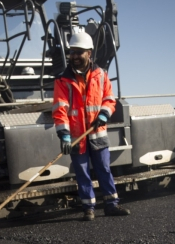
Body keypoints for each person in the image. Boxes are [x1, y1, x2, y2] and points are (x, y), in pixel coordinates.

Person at [52, 31, 130, 221]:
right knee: (82, 172)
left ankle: (112, 205)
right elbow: (60, 108)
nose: (75, 56)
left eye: (79, 52)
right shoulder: (63, 80)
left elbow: (109, 100)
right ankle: (89, 208)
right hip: (77, 136)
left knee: (104, 169)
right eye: (72, 52)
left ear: (89, 53)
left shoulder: (101, 75)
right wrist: (64, 135)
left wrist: (104, 113)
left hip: (97, 133)